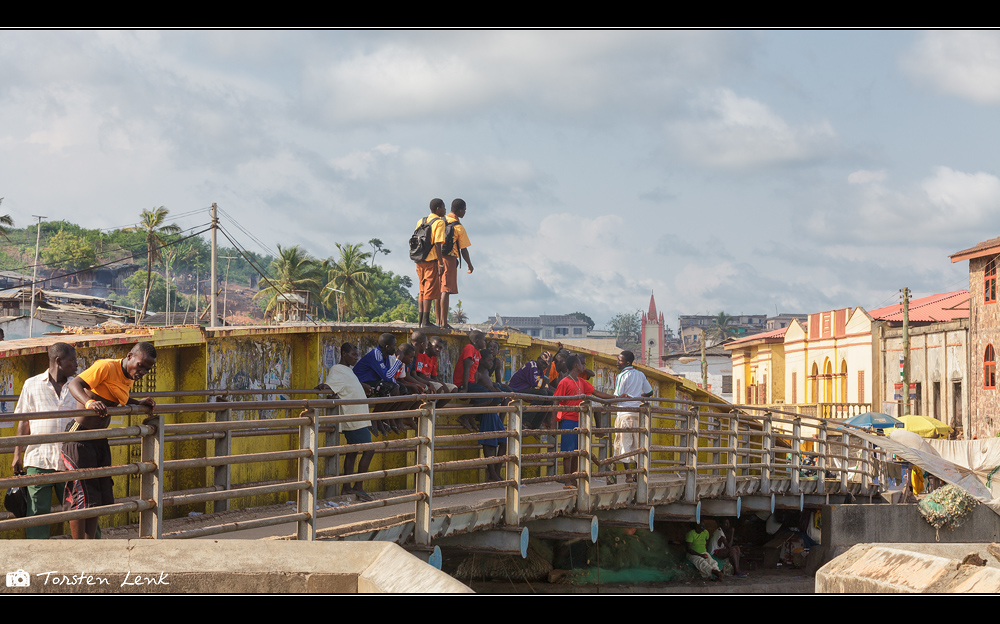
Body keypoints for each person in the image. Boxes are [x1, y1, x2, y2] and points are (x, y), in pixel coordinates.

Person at [65, 342, 157, 539]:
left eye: (147, 369)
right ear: (130, 356)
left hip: (99, 438)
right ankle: (77, 547)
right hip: (79, 436)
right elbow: (75, 384)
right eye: (140, 365)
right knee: (81, 494)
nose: (142, 371)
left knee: (98, 493)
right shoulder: (106, 366)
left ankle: (91, 545)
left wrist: (136, 402)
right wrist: (89, 402)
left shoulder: (128, 376)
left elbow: (114, 396)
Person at [10, 342, 79, 539]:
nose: (76, 365)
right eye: (72, 360)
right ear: (58, 361)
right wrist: (17, 454)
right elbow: (23, 422)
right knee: (37, 514)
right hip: (38, 459)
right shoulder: (31, 384)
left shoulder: (77, 386)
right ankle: (37, 555)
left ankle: (89, 549)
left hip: (69, 460)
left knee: (77, 510)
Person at [317, 342, 375, 502]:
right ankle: (358, 486)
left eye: (357, 355)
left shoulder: (348, 370)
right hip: (353, 418)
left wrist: (362, 385)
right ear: (344, 354)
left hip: (359, 416)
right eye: (353, 355)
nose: (356, 358)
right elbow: (331, 384)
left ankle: (346, 487)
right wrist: (325, 386)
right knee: (369, 450)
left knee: (352, 452)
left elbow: (347, 385)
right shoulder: (337, 369)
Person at [554, 354, 613, 488]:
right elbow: (556, 400)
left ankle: (573, 477)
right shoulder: (564, 382)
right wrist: (554, 423)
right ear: (576, 365)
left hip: (580, 421)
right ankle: (567, 479)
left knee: (577, 452)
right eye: (581, 364)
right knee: (568, 452)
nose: (583, 367)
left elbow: (597, 393)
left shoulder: (581, 382)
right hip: (568, 419)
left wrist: (615, 397)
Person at [612, 350, 653, 482]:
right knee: (637, 444)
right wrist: (638, 398)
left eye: (620, 360)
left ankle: (628, 476)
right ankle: (637, 473)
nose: (617, 363)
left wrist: (621, 397)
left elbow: (617, 395)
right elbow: (649, 392)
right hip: (638, 414)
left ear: (627, 362)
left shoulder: (621, 376)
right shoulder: (640, 374)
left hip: (625, 413)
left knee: (625, 445)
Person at [352, 333, 404, 435]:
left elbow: (389, 377)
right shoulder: (376, 354)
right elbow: (387, 376)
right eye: (394, 345)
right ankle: (375, 417)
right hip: (362, 384)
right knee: (391, 388)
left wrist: (396, 384)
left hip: (374, 383)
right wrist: (398, 361)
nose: (396, 348)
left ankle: (383, 417)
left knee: (401, 389)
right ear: (387, 347)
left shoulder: (386, 356)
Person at [440, 198, 474, 329]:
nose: (465, 212)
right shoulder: (458, 226)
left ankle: (439, 320)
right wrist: (469, 264)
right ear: (460, 210)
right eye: (464, 210)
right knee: (446, 290)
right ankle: (443, 323)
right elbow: (463, 249)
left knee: (438, 289)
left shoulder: (440, 220)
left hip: (434, 258)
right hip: (449, 258)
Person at [414, 198, 447, 328]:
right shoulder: (439, 223)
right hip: (431, 259)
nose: (445, 210)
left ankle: (420, 320)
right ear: (438, 208)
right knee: (429, 289)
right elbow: (438, 244)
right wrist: (440, 262)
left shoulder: (421, 221)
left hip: (419, 259)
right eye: (444, 207)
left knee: (422, 289)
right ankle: (426, 321)